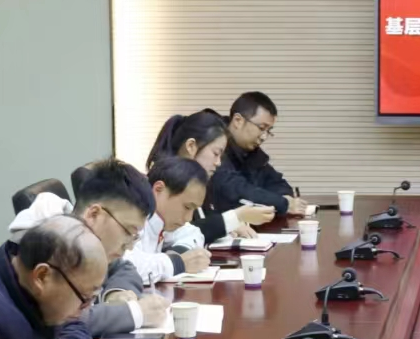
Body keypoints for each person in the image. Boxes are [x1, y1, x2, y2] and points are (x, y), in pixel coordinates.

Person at [8, 159, 169, 338]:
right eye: (128, 232)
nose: (130, 245)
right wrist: (135, 314)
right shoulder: (46, 245)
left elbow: (124, 267)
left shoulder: (84, 241)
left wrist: (115, 293)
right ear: (94, 214)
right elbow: (61, 321)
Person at [147, 109, 273, 247]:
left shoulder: (202, 181)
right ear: (191, 146)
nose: (218, 163)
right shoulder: (167, 181)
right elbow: (176, 232)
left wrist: (228, 226)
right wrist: (234, 218)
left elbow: (196, 228)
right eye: (215, 153)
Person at [211, 91, 308, 219]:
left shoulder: (252, 153)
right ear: (238, 120)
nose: (264, 137)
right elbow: (235, 189)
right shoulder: (213, 146)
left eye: (268, 131)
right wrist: (282, 203)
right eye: (261, 128)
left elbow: (278, 183)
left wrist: (285, 199)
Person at [121, 157, 213, 289]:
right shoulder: (131, 217)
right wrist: (178, 263)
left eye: (194, 209)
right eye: (187, 207)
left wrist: (178, 253)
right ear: (159, 190)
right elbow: (125, 266)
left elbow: (193, 233)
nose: (189, 217)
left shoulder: (162, 221)